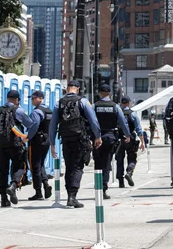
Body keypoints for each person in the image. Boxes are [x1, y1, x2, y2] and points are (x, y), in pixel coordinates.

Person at [49, 80, 102, 208]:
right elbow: (93, 121)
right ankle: (72, 197)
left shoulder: (59, 103)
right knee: (78, 166)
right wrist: (98, 136)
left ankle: (69, 195)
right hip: (80, 139)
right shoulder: (83, 101)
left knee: (69, 166)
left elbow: (52, 125)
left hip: (66, 139)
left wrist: (52, 143)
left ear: (67, 89)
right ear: (77, 89)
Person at [0, 90, 36, 207]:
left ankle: (4, 199)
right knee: (20, 166)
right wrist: (27, 138)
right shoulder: (19, 111)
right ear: (17, 100)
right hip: (15, 145)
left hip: (1, 146)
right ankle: (13, 185)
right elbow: (32, 125)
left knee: (2, 171)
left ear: (7, 98)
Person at [93, 84, 131, 199]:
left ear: (99, 93)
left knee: (97, 163)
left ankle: (98, 187)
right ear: (110, 93)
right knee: (107, 162)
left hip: (97, 137)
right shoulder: (115, 107)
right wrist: (127, 134)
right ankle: (103, 189)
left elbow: (90, 121)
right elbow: (123, 122)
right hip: (110, 137)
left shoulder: (94, 106)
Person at [27, 90, 53, 201]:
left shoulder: (36, 112)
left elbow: (34, 126)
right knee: (41, 163)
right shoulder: (49, 111)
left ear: (40, 98)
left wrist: (27, 137)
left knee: (35, 165)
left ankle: (38, 192)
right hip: (46, 140)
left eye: (34, 98)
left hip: (37, 140)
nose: (32, 100)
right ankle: (46, 184)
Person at [117, 96, 145, 188]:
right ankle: (129, 172)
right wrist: (142, 142)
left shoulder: (117, 112)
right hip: (131, 139)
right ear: (129, 103)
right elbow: (139, 129)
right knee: (132, 157)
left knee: (119, 160)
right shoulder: (132, 114)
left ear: (121, 103)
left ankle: (120, 181)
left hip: (119, 139)